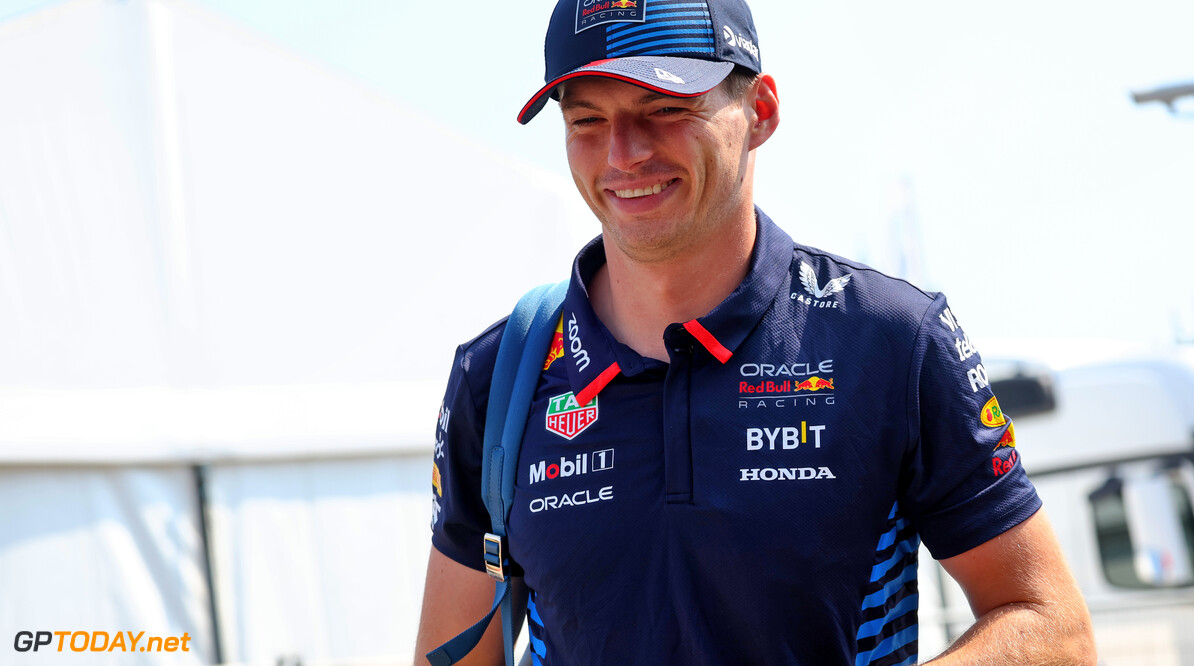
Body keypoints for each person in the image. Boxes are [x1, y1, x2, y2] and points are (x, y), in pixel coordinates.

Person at [414, 0, 1096, 663]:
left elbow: (1052, 626)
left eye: (665, 108)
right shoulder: (499, 373)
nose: (622, 154)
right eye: (587, 119)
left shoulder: (890, 339)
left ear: (761, 111)